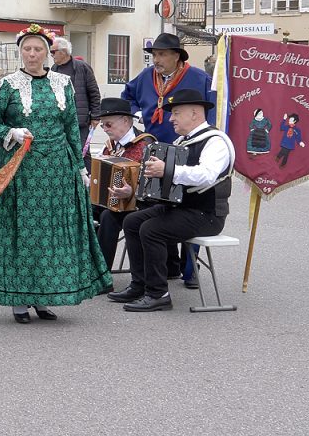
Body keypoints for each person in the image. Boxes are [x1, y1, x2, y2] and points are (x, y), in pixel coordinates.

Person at [0, 24, 112, 324]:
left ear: (47, 53)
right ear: (20, 52)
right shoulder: (7, 85)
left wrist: (80, 165)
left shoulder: (62, 83)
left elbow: (70, 125)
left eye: (38, 49)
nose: (32, 54)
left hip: (57, 169)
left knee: (51, 235)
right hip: (20, 168)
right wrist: (11, 131)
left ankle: (45, 297)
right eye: (27, 49)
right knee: (21, 232)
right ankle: (18, 298)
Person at [109, 89, 234, 312]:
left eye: (176, 113)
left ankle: (158, 294)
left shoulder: (215, 142)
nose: (171, 119)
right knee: (132, 222)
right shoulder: (182, 141)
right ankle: (140, 284)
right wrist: (133, 190)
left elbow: (206, 175)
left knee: (151, 229)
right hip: (181, 209)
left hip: (207, 214)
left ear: (195, 113)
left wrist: (168, 169)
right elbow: (162, 183)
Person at [121, 32, 214, 282]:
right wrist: (135, 114)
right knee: (160, 205)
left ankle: (190, 270)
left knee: (189, 204)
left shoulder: (198, 78)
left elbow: (210, 111)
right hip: (156, 147)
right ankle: (169, 265)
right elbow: (127, 95)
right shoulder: (146, 77)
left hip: (189, 148)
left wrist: (205, 139)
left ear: (176, 56)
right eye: (154, 55)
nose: (157, 60)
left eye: (162, 55)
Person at [90, 97, 155, 269]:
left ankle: (101, 272)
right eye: (102, 125)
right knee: (82, 210)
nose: (104, 129)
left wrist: (131, 192)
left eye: (108, 124)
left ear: (125, 121)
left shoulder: (146, 145)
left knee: (108, 217)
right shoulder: (110, 146)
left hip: (141, 205)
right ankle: (85, 266)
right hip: (113, 202)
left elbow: (153, 185)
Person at [49, 37, 101, 168]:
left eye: (53, 52)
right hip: (61, 120)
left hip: (80, 120)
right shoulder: (53, 69)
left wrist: (95, 116)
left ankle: (87, 180)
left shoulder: (82, 67)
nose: (51, 55)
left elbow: (94, 92)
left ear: (63, 51)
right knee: (63, 152)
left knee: (82, 151)